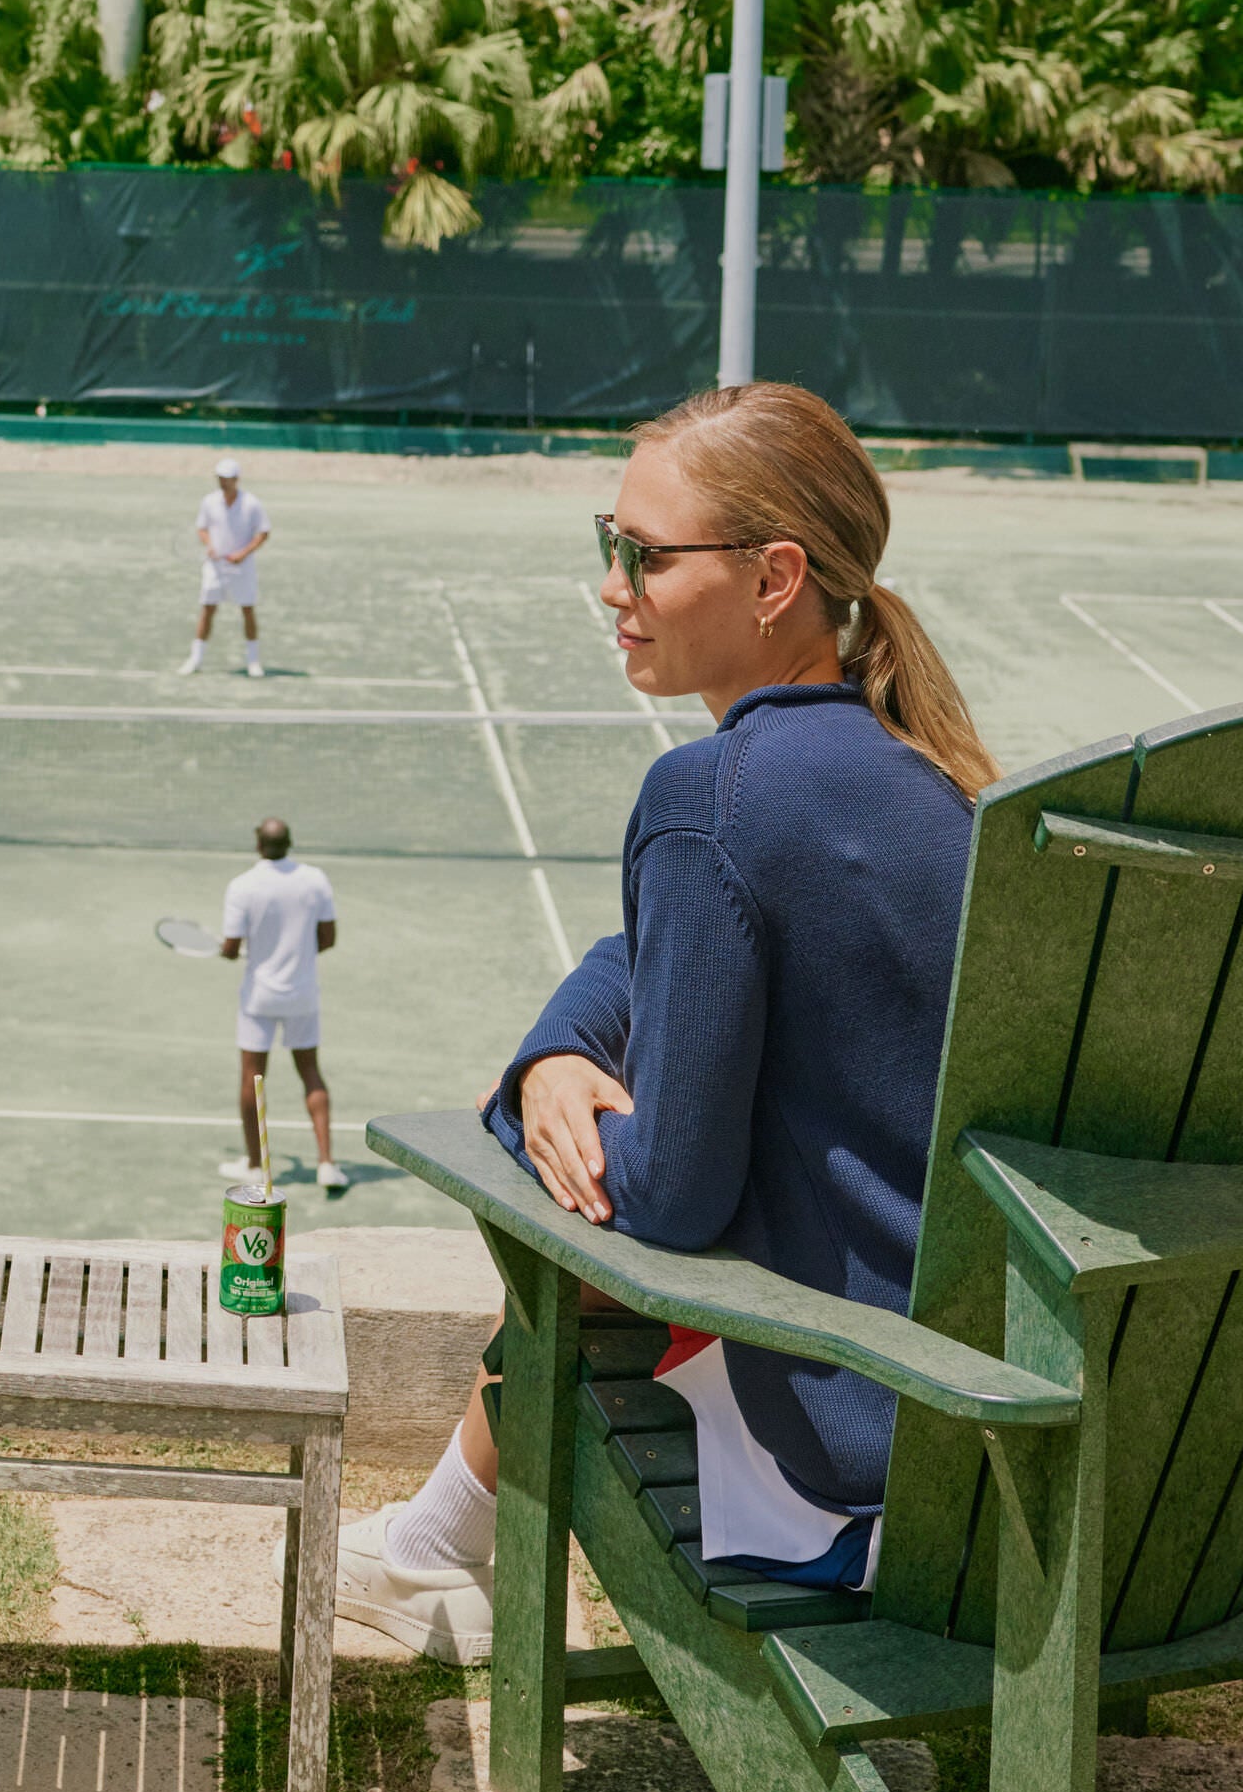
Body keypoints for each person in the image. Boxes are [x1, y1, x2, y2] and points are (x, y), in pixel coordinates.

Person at [335, 379, 995, 1660]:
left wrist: (518, 1107)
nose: (612, 585)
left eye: (644, 554)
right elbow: (653, 953)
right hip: (981, 1415)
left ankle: (433, 1548)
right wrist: (558, 1054)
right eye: (610, 542)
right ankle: (430, 1544)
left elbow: (669, 1198)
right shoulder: (929, 781)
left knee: (562, 1218)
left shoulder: (711, 796)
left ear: (774, 578)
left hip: (845, 1459)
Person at [223, 812, 345, 1195]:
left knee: (252, 1078)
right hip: (302, 994)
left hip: (259, 997)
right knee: (310, 1072)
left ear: (258, 844)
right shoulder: (315, 880)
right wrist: (298, 959)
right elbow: (327, 939)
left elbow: (231, 947)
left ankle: (253, 1165)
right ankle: (326, 1164)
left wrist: (229, 952)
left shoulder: (242, 886)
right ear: (289, 843)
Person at [181, 459, 269, 676]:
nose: (223, 482)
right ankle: (195, 659)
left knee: (247, 610)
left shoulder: (251, 503)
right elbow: (202, 528)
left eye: (227, 478)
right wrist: (210, 545)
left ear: (236, 479)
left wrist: (243, 554)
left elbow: (263, 532)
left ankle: (253, 661)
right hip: (215, 567)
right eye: (220, 478)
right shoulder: (209, 501)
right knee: (207, 609)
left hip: (243, 568)